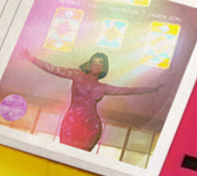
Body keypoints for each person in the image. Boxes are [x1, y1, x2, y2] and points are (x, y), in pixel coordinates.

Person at [17, 47, 164, 152]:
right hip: (72, 122)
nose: (97, 64)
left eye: (101, 62)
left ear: (104, 67)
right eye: (95, 61)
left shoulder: (104, 88)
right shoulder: (77, 75)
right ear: (90, 63)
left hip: (91, 127)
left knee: (79, 159)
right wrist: (31, 58)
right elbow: (53, 68)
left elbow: (129, 91)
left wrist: (152, 88)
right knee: (65, 154)